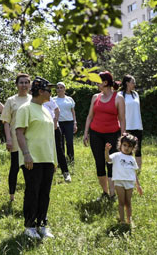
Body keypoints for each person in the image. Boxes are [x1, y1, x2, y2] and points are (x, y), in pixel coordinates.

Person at [15, 77, 57, 239]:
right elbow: (19, 132)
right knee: (33, 191)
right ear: (40, 91)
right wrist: (26, 154)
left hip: (47, 158)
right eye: (49, 90)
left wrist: (54, 160)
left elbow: (49, 137)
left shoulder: (46, 110)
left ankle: (42, 224)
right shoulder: (26, 109)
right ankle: (29, 226)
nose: (51, 93)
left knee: (45, 193)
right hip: (32, 159)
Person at [83, 71, 126, 201]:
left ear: (105, 82)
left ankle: (112, 193)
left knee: (111, 163)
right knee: (99, 163)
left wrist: (123, 136)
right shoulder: (95, 97)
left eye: (98, 81)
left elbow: (122, 119)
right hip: (96, 134)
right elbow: (90, 116)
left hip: (113, 134)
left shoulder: (118, 98)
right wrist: (86, 133)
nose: (96, 84)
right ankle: (105, 192)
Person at [1, 73, 32, 202]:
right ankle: (12, 196)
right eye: (21, 82)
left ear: (29, 85)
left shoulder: (33, 99)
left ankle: (29, 195)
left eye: (26, 82)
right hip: (15, 140)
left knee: (29, 169)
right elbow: (6, 121)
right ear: (17, 85)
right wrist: (8, 138)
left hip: (31, 140)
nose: (24, 85)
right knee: (14, 168)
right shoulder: (11, 100)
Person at [106, 135, 143, 225]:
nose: (127, 148)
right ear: (121, 145)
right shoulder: (117, 155)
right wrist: (106, 151)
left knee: (128, 202)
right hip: (119, 182)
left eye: (130, 146)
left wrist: (138, 185)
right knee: (121, 202)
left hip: (130, 183)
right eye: (125, 145)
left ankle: (129, 220)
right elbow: (108, 159)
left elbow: (134, 173)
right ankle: (122, 220)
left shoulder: (132, 159)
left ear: (133, 148)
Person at [44, 91, 71, 182]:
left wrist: (55, 122)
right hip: (41, 129)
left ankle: (66, 173)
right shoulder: (30, 100)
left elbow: (56, 109)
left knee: (58, 150)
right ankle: (48, 174)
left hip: (54, 128)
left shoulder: (46, 97)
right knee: (45, 151)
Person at [118, 75, 144, 168]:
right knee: (125, 148)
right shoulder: (120, 95)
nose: (134, 84)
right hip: (126, 126)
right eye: (133, 82)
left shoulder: (135, 94)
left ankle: (138, 169)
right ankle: (124, 167)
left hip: (137, 125)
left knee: (138, 149)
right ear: (127, 83)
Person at [54, 82, 77, 165]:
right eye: (58, 88)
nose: (59, 89)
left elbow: (73, 112)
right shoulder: (53, 100)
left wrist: (75, 123)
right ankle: (62, 161)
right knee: (60, 143)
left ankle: (71, 159)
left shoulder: (70, 99)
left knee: (69, 142)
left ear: (64, 89)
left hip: (69, 122)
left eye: (61, 87)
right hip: (58, 123)